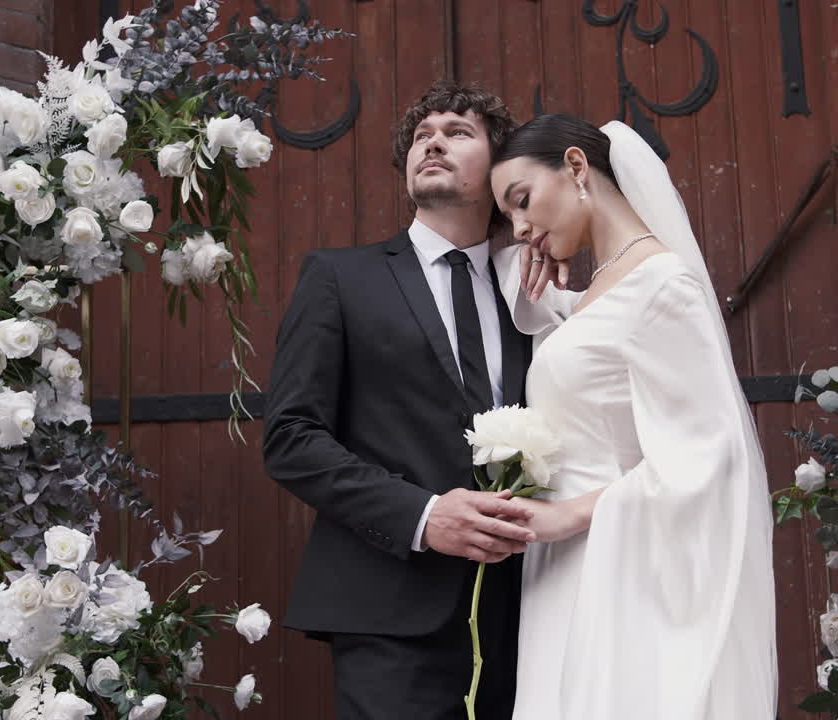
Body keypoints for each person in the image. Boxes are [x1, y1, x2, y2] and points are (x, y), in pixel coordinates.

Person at [488, 114, 779, 719]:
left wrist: (566, 514)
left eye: (522, 202)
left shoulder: (663, 286)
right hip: (566, 574)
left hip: (616, 575)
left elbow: (706, 454)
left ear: (575, 167)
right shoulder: (600, 292)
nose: (518, 229)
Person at [261, 81, 535, 720]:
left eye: (459, 133)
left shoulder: (532, 290)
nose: (433, 141)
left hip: (529, 615)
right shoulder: (339, 277)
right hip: (389, 612)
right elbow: (292, 437)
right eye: (421, 136)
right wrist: (422, 515)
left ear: (501, 167)